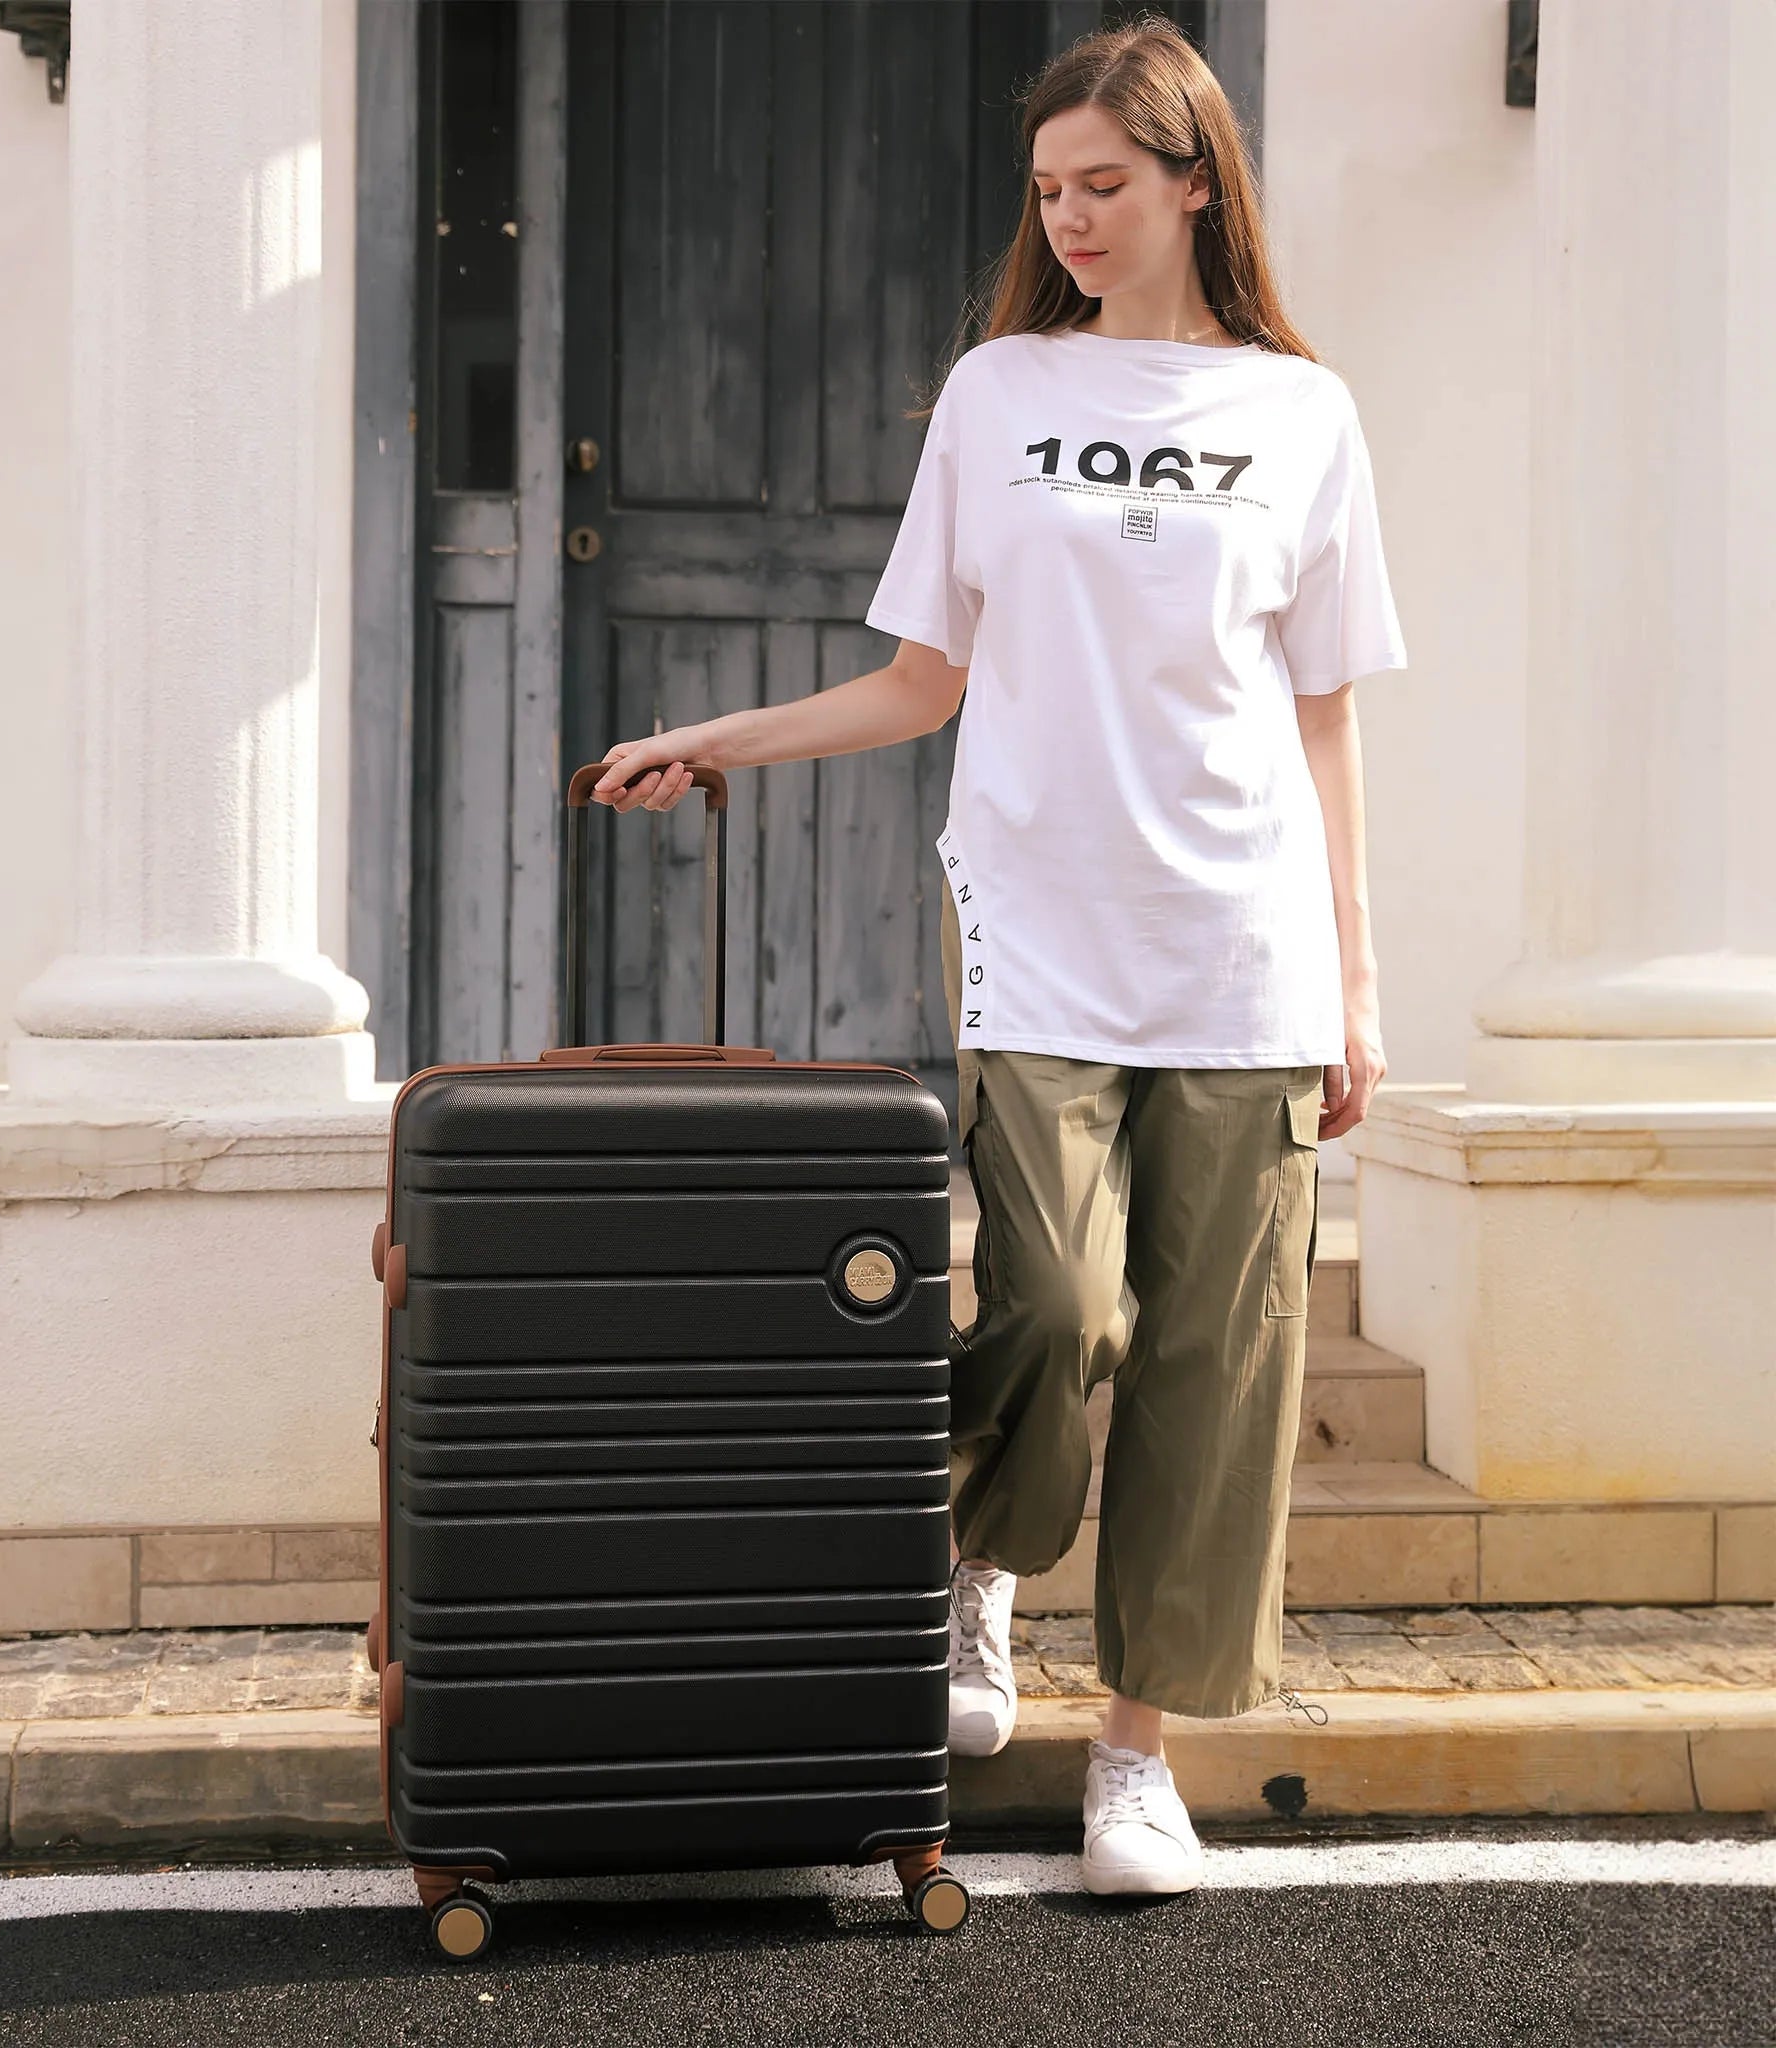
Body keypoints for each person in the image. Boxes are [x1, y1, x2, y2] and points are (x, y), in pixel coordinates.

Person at [586, 18, 1405, 1899]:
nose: (1073, 218)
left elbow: (1328, 718)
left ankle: (1136, 1760)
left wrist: (1360, 981)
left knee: (1217, 1364)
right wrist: (714, 740)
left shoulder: (1306, 415)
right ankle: (978, 1566)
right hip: (1040, 928)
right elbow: (920, 680)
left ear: (1197, 178)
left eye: (1105, 185)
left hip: (1248, 946)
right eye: (1049, 192)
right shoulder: (995, 391)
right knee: (1053, 1302)